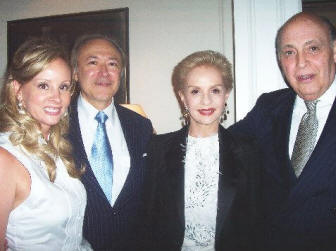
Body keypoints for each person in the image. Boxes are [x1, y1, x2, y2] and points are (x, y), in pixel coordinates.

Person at [229, 12, 336, 251]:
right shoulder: (268, 107)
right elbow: (222, 146)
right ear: (280, 61)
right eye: (289, 52)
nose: (301, 62)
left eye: (313, 49)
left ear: (334, 51)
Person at [143, 50, 262, 251]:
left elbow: (256, 224)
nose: (206, 101)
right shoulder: (158, 149)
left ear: (226, 95)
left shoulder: (249, 152)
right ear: (182, 97)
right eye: (195, 91)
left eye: (215, 90)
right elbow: (147, 220)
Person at [0, 38, 92, 250]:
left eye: (63, 87)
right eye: (43, 86)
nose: (56, 98)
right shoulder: (5, 159)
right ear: (18, 90)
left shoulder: (56, 146)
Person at [68, 34, 153, 250]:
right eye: (93, 62)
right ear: (75, 73)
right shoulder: (55, 124)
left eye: (112, 64)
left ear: (121, 74)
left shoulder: (141, 126)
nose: (104, 72)